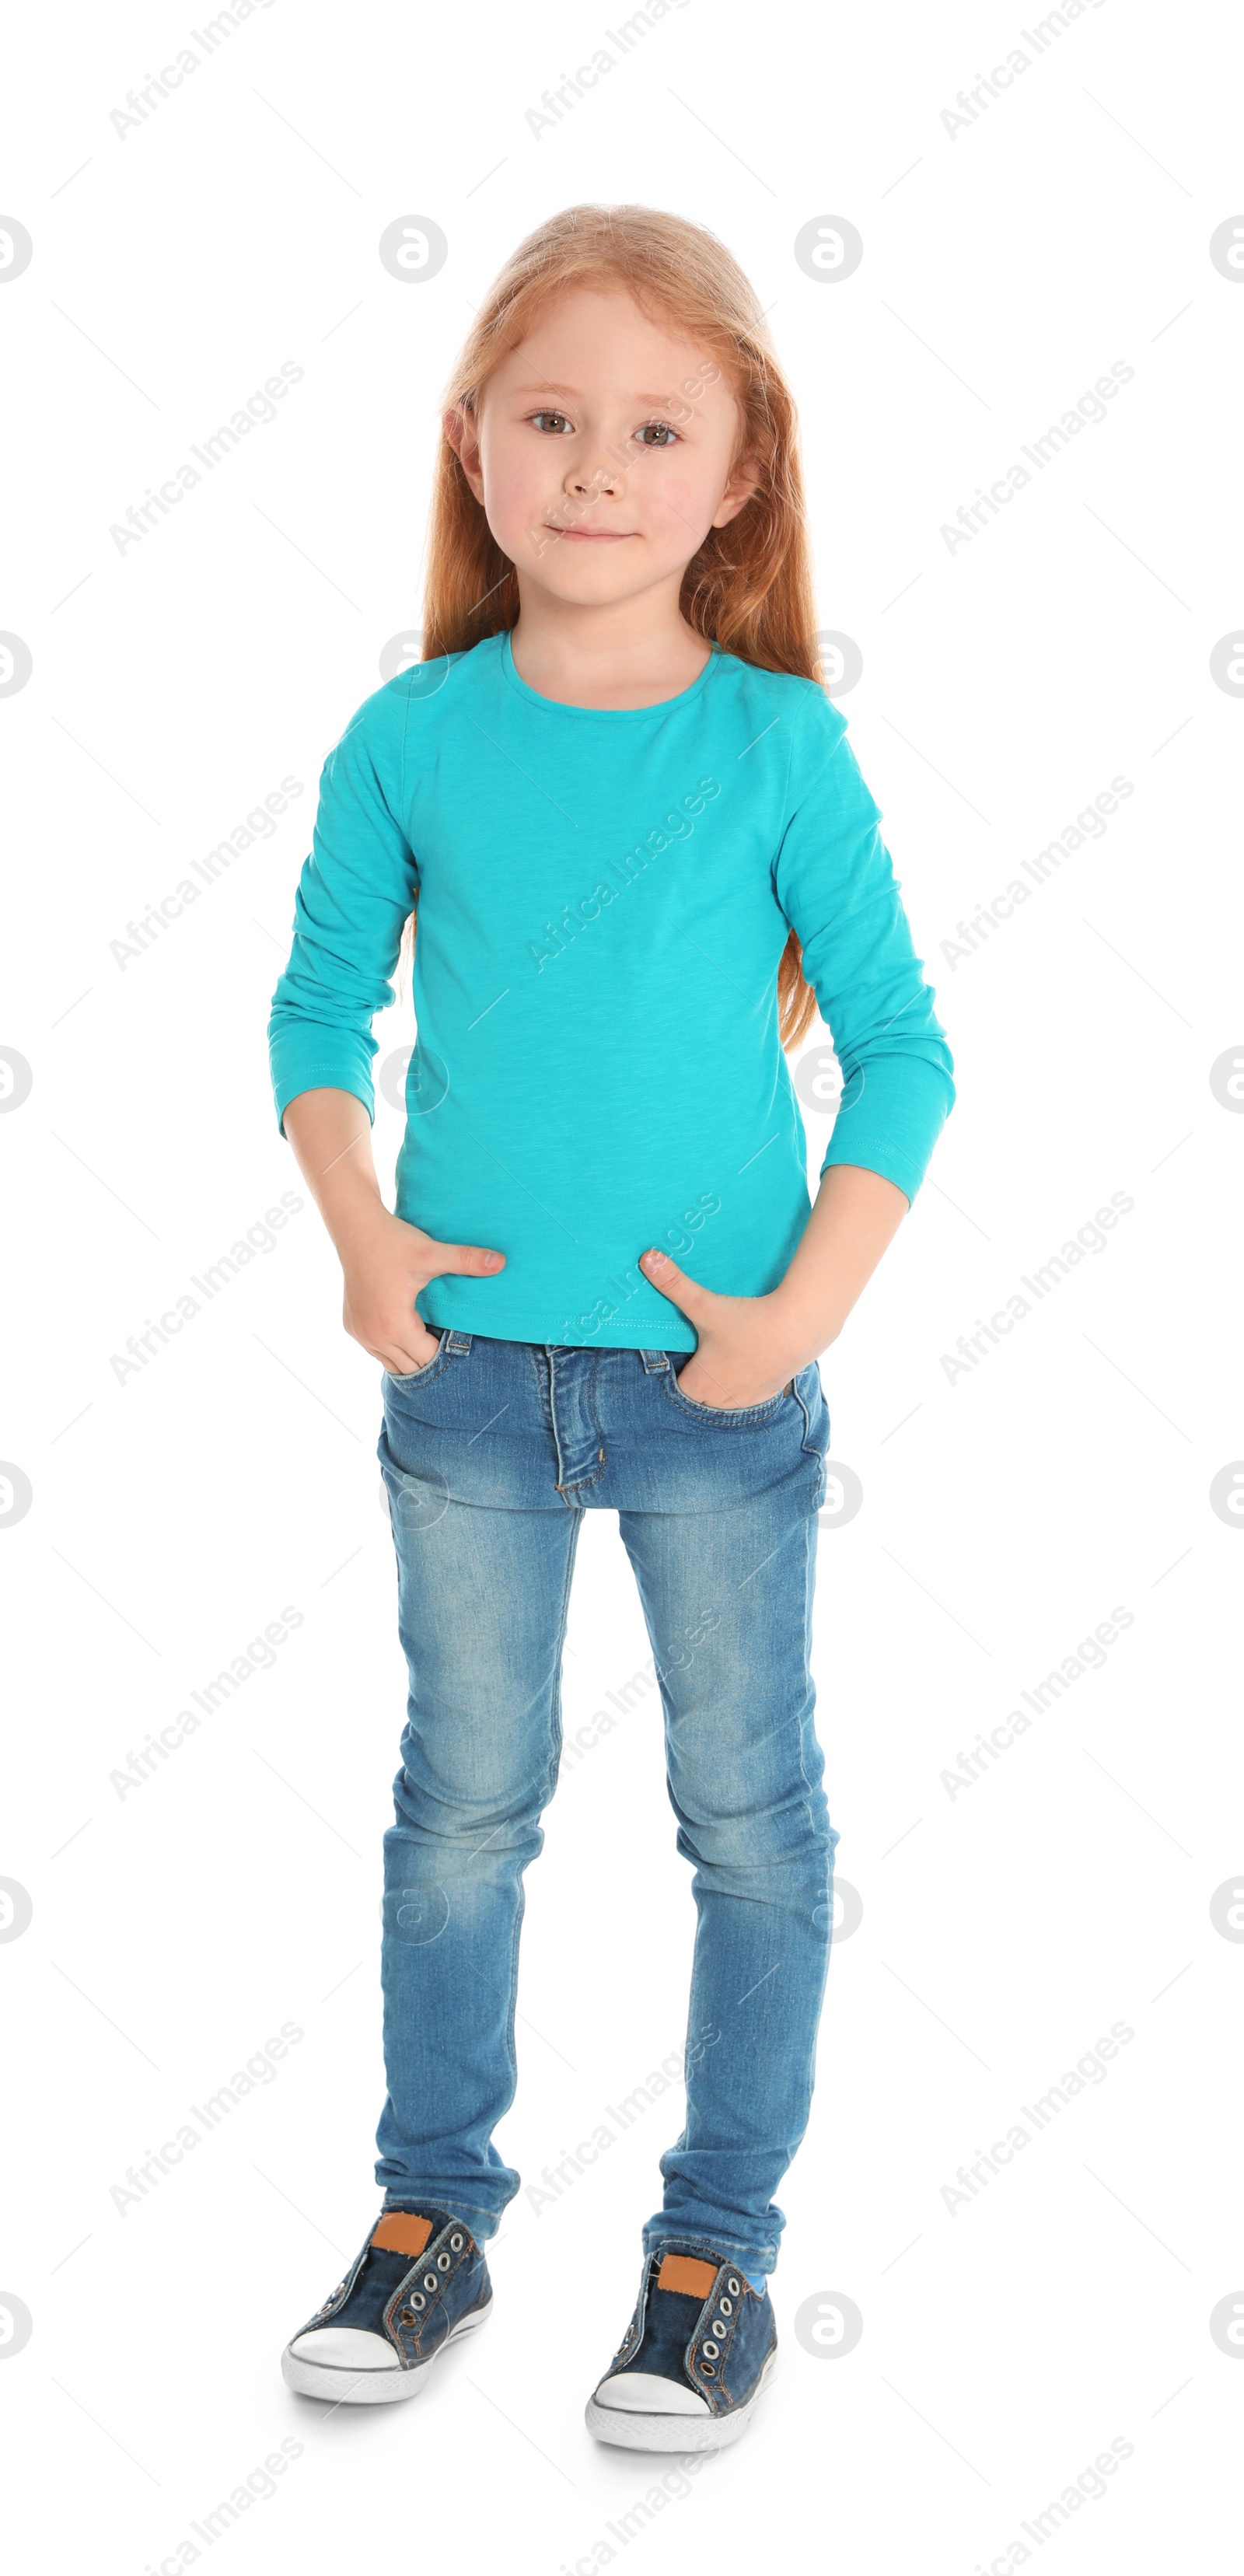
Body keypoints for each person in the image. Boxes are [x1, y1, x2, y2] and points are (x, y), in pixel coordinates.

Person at [268, 201, 954, 2449]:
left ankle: (711, 2250)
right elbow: (312, 1009)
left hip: (712, 1402)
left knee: (751, 1813)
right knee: (460, 1803)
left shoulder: (775, 743)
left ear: (742, 467)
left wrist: (793, 1320)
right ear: (473, 448)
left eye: (655, 427)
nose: (594, 467)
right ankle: (431, 2210)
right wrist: (363, 1237)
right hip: (463, 1388)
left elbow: (906, 1051)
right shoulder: (409, 734)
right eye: (549, 418)